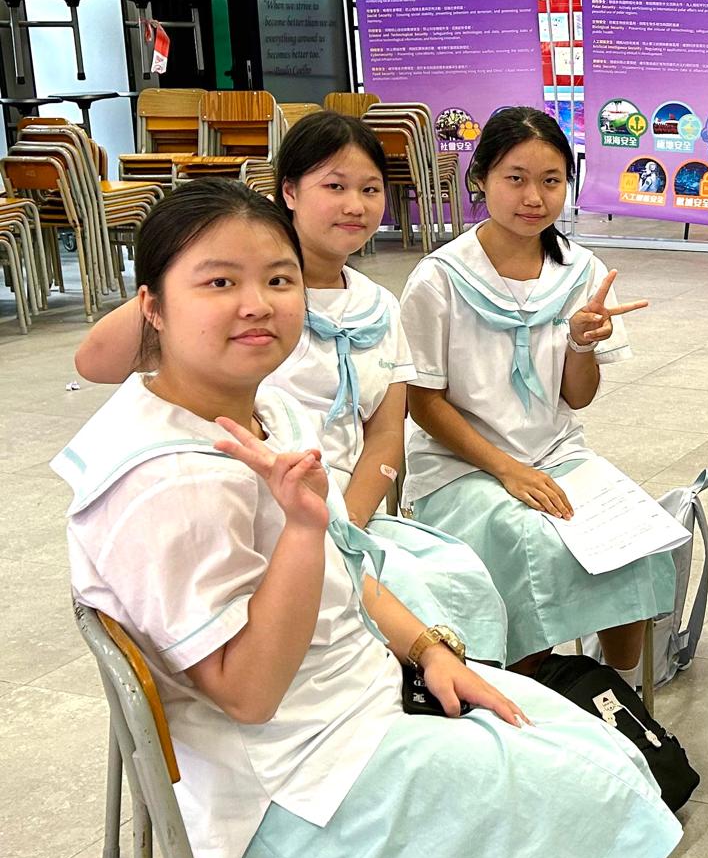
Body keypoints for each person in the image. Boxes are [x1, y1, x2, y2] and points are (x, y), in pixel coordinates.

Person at [56, 180, 680, 858]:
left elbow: (347, 565)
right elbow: (248, 694)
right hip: (292, 782)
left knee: (598, 755)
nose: (257, 304)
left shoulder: (262, 407)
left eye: (278, 280)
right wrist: (301, 530)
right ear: (152, 307)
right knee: (579, 806)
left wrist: (428, 648)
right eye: (219, 282)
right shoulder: (166, 483)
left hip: (356, 698)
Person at [73, 112, 508, 663]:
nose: (355, 205)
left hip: (347, 512)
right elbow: (95, 361)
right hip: (259, 514)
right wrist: (203, 273)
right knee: (394, 619)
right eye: (335, 186)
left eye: (370, 189)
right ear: (289, 192)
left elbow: (384, 436)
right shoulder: (253, 314)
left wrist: (344, 521)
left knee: (462, 586)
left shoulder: (378, 306)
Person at [399, 106, 674, 678]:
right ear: (481, 178)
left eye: (551, 181)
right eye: (515, 178)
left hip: (554, 454)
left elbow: (578, 399)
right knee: (533, 545)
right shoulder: (440, 277)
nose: (534, 197)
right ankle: (526, 695)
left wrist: (579, 345)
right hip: (460, 466)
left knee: (631, 537)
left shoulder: (581, 271)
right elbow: (422, 402)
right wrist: (507, 470)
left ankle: (617, 691)